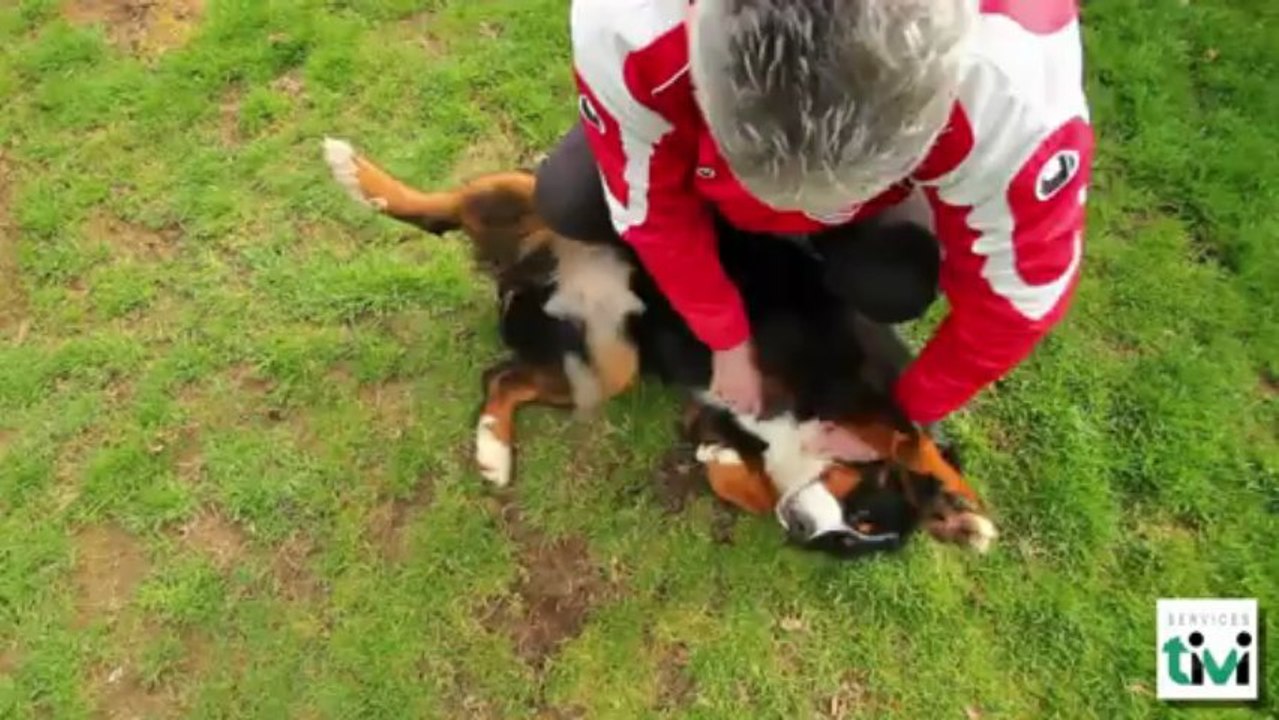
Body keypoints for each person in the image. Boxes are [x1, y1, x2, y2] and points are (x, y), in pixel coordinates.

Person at [536, 0, 1093, 460]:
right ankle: (743, 235)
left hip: (884, 192)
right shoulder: (629, 25)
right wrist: (723, 337)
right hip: (686, 123)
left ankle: (810, 243)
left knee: (894, 279)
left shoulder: (1016, 91)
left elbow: (1018, 299)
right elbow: (651, 207)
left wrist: (896, 417)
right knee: (570, 198)